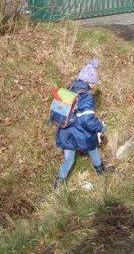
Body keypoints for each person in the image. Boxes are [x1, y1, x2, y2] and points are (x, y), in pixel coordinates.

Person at [54, 58, 112, 189]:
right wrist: (101, 128)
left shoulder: (69, 89)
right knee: (92, 146)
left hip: (64, 130)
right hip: (78, 133)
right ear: (89, 81)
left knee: (68, 159)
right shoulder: (86, 97)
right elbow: (86, 120)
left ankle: (57, 188)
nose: (93, 86)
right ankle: (102, 172)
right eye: (93, 83)